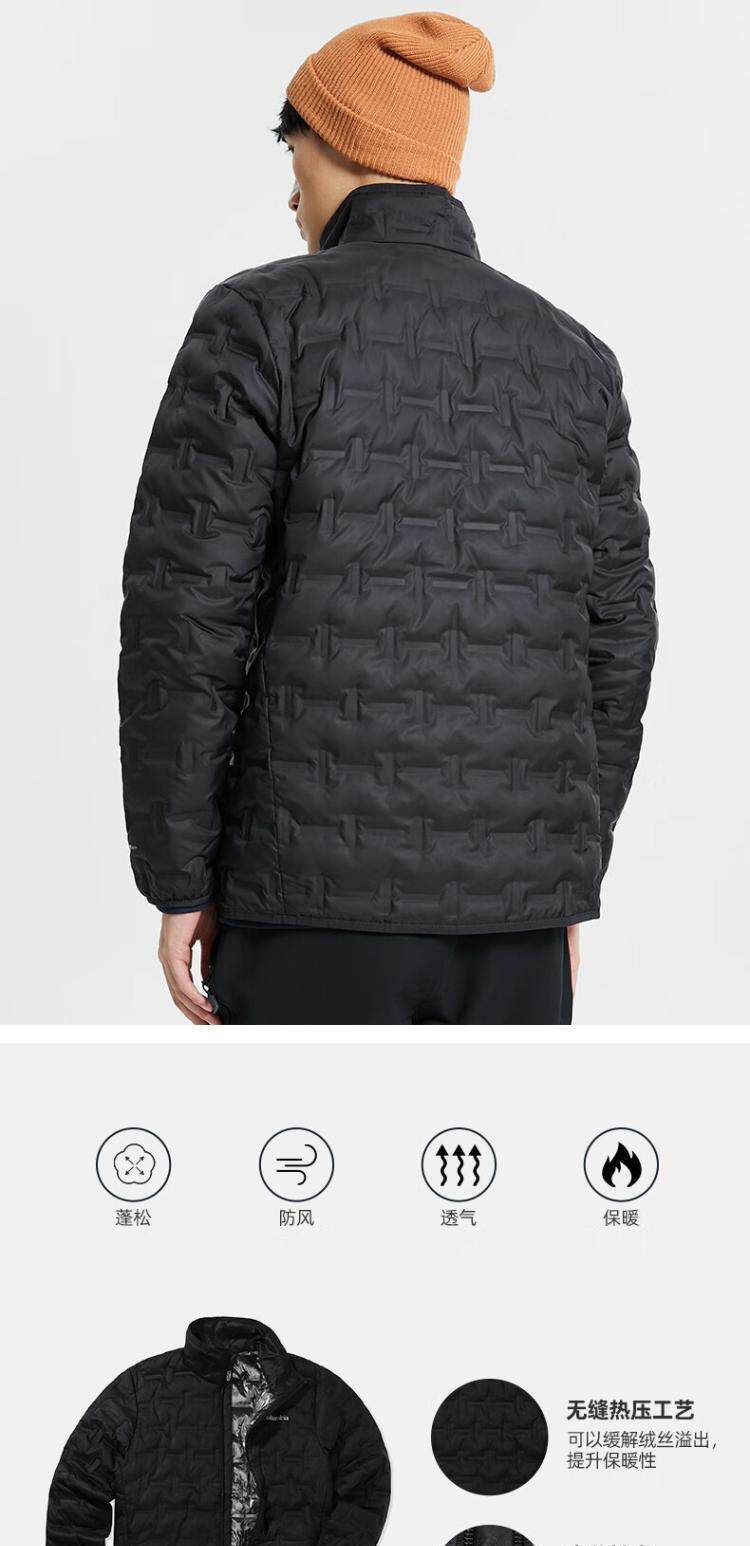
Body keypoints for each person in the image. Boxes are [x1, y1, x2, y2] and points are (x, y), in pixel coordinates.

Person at [118, 12, 657, 1026]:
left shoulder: (261, 322)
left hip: (305, 910)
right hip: (516, 925)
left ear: (347, 144)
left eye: (296, 152)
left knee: (308, 1141)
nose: (291, 192)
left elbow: (184, 622)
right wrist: (559, 872)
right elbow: (618, 638)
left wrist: (179, 877)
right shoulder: (574, 357)